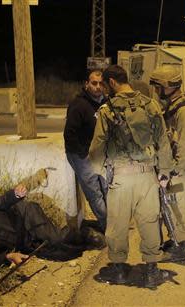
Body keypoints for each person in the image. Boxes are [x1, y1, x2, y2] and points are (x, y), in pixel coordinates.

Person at [89, 65, 173, 289]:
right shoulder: (150, 104)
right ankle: (151, 271)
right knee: (149, 222)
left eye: (105, 85)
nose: (105, 89)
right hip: (147, 177)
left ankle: (118, 271)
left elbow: (97, 146)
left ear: (112, 83)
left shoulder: (107, 110)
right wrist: (163, 173)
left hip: (121, 177)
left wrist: (100, 172)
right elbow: (163, 141)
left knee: (117, 224)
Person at [0, 182, 104, 268]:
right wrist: (8, 257)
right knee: (61, 255)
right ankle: (83, 235)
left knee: (55, 238)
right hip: (25, 242)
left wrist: (15, 195)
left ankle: (86, 234)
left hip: (25, 216)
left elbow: (1, 202)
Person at [149, 65, 185, 262]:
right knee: (169, 206)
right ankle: (174, 241)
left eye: (158, 87)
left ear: (167, 86)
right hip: (172, 168)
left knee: (177, 207)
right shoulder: (173, 105)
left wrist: (175, 172)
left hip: (179, 171)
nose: (156, 91)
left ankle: (179, 248)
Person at [64, 69, 107, 232]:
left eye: (100, 83)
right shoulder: (78, 105)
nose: (97, 87)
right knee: (94, 193)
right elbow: (69, 135)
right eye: (94, 83)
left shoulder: (106, 103)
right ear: (86, 84)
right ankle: (108, 226)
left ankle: (112, 223)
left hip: (101, 155)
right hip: (81, 155)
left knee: (108, 189)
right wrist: (84, 153)